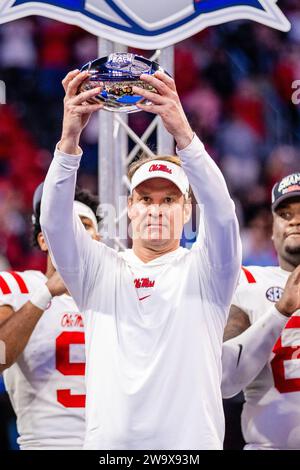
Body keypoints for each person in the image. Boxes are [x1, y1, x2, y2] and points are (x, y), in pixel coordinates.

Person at [40, 69, 242, 450]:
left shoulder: (208, 270)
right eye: (145, 199)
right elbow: (54, 221)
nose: (156, 210)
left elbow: (222, 212)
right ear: (128, 208)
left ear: (186, 212)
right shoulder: (99, 270)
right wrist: (69, 140)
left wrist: (184, 134)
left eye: (169, 200)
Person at [0, 183, 101, 450]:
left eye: (85, 225)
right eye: (65, 225)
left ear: (98, 240)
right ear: (44, 239)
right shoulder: (19, 288)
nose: (76, 233)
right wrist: (45, 294)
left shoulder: (115, 298)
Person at [222, 172, 300, 450]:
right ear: (272, 228)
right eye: (286, 213)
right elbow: (225, 380)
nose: (295, 220)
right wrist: (281, 311)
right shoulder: (248, 281)